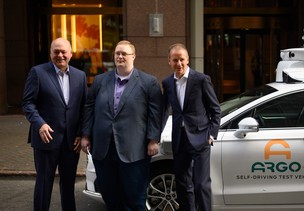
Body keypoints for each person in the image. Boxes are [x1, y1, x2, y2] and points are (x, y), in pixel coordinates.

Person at [81, 40, 163, 210]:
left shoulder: (149, 82)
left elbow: (156, 114)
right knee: (110, 197)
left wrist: (153, 139)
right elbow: (89, 108)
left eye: (124, 54)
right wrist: (85, 135)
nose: (120, 56)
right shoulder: (100, 81)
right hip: (103, 150)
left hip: (134, 150)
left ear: (133, 56)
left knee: (134, 198)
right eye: (117, 53)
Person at [22, 37, 87, 211]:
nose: (60, 55)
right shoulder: (37, 72)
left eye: (63, 51)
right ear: (50, 53)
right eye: (56, 51)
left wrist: (81, 133)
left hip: (70, 143)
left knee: (68, 188)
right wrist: (39, 124)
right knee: (44, 186)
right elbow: (28, 103)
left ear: (71, 54)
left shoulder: (80, 76)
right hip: (46, 140)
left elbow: (83, 107)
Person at [162, 43, 221, 211]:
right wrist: (155, 135)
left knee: (201, 184)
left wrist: (211, 135)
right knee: (182, 184)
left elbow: (215, 110)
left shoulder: (201, 80)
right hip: (179, 140)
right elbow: (165, 112)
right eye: (175, 60)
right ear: (169, 61)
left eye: (182, 59)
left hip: (201, 138)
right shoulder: (167, 83)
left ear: (187, 60)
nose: (179, 64)